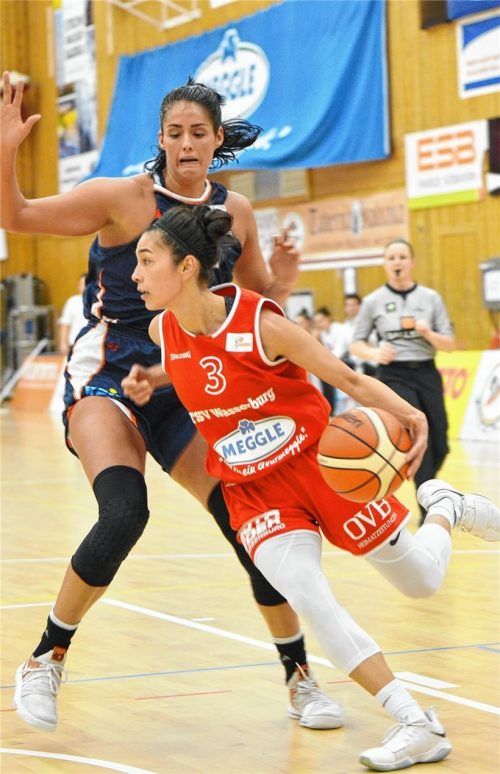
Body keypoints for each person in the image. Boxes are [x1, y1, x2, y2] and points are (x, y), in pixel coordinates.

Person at [1, 71, 341, 733]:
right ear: (160, 139)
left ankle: (300, 675)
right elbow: (15, 216)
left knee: (251, 529)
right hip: (111, 365)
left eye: (198, 133)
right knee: (125, 510)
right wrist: (6, 147)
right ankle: (46, 657)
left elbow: (253, 295)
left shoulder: (234, 213)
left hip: (184, 377)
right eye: (175, 133)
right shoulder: (122, 198)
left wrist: (286, 282)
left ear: (217, 140)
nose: (187, 144)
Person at [124, 204, 499, 772]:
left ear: (186, 268)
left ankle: (444, 508)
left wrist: (412, 416)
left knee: (422, 582)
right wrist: (150, 381)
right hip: (255, 492)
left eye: (145, 261)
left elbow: (345, 377)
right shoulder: (161, 330)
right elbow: (189, 367)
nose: (134, 274)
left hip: (321, 469)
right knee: (308, 594)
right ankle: (413, 721)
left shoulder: (263, 324)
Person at [350, 240, 456, 523]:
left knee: (441, 442)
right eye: (391, 257)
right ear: (385, 263)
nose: (397, 262)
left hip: (426, 372)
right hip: (393, 375)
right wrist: (374, 352)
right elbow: (355, 343)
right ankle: (429, 510)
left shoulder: (431, 298)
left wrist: (429, 334)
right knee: (418, 434)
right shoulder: (373, 301)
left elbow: (450, 343)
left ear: (412, 262)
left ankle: (426, 484)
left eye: (402, 257)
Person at [58, 273, 87, 357]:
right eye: (82, 284)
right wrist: (63, 343)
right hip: (75, 345)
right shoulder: (72, 302)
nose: (85, 287)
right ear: (78, 286)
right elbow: (65, 324)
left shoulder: (99, 302)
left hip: (93, 346)